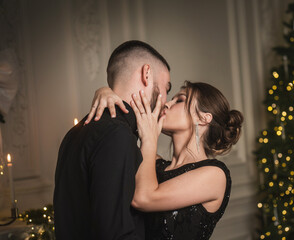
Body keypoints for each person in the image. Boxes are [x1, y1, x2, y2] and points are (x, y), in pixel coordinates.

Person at [88, 80, 243, 239]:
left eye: (180, 100)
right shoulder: (152, 163)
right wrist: (105, 93)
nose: (167, 104)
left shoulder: (215, 175)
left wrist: (149, 140)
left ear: (203, 118)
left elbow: (143, 198)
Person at [53, 40, 171, 240]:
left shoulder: (76, 132)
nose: (166, 101)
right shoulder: (118, 135)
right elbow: (115, 233)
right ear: (147, 73)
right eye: (167, 87)